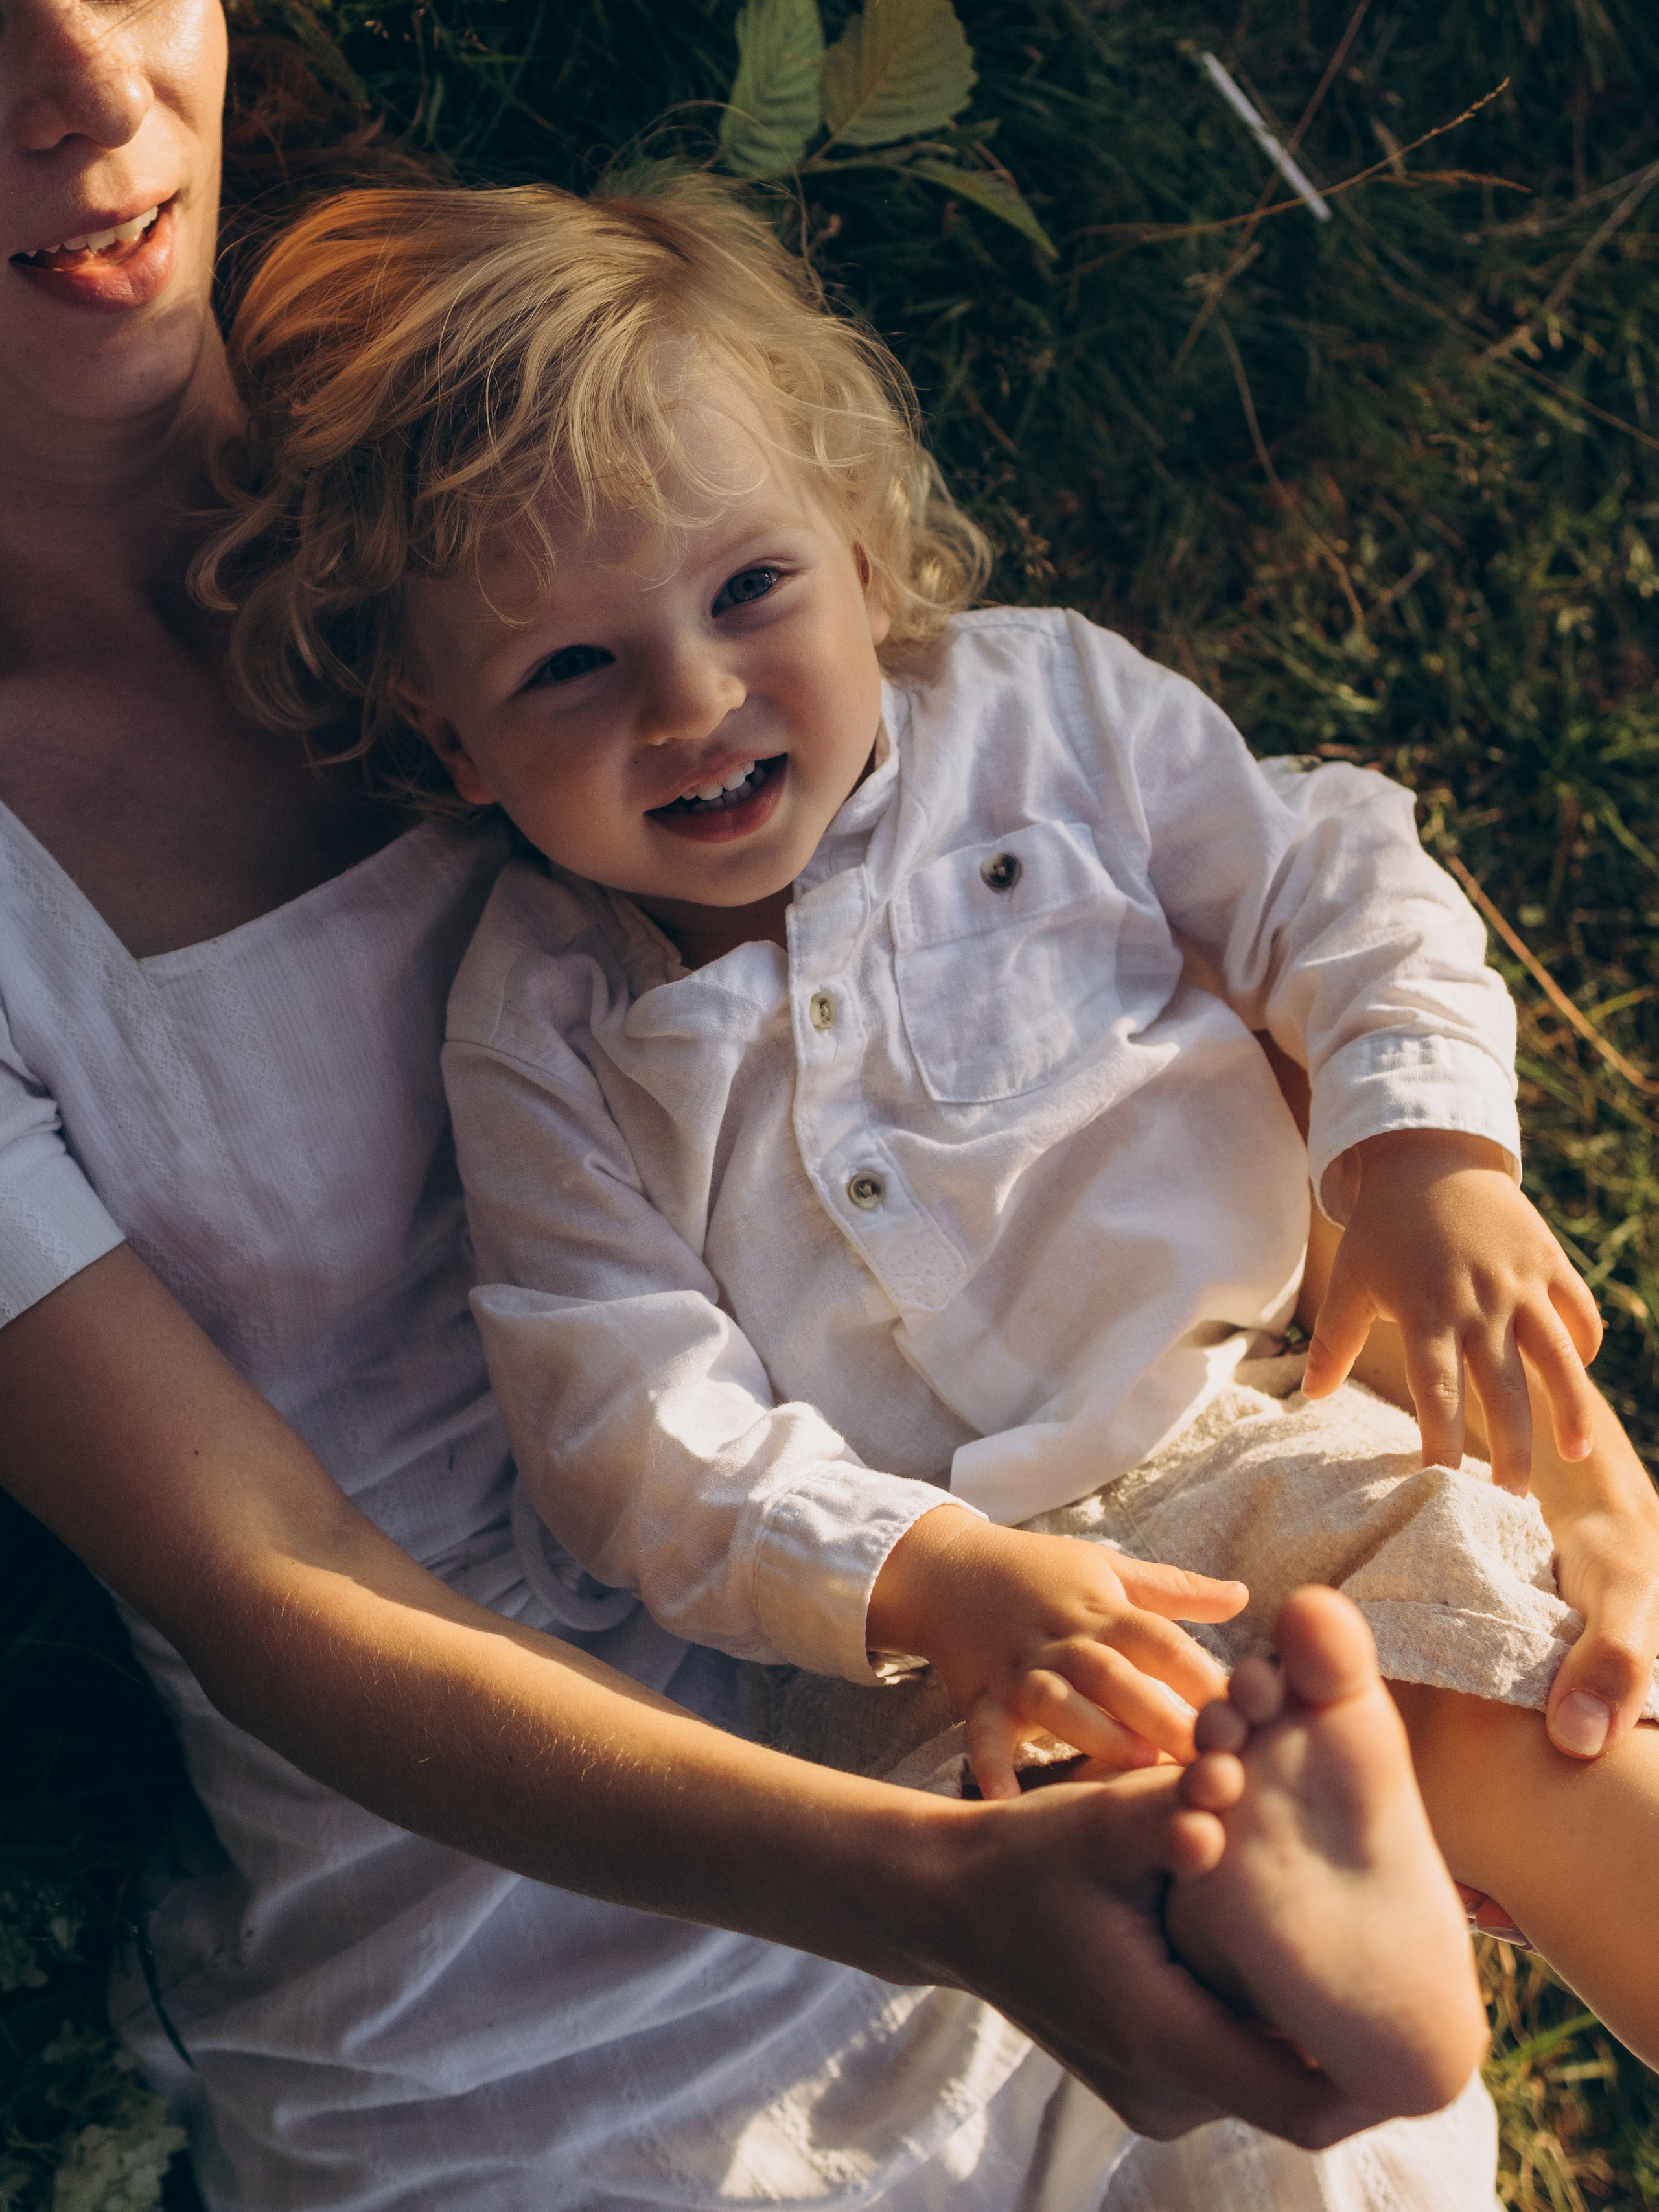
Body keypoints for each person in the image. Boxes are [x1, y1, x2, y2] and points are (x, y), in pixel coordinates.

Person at [0, 2, 1505, 2207]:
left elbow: (1142, 959)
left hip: (1045, 1653)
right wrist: (921, 1891)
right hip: (517, 1967)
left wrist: (1538, 1427)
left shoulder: (569, 426)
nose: (89, 89)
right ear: (446, 728)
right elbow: (270, 1575)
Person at [198, 169, 1659, 2089]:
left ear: (867, 552)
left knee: (1529, 1699)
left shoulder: (1047, 717)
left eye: (747, 591)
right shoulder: (544, 1021)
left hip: (1239, 1439)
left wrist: (1421, 1153)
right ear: (450, 740)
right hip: (947, 1642)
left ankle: (1364, 1905)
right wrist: (923, 1573)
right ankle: (1314, 1945)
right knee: (1149, 2012)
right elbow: (625, 1420)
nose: (694, 701)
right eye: (570, 665)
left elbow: (1335, 880)